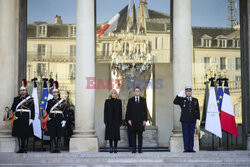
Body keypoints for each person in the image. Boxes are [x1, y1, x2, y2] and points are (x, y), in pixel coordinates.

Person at [173, 86, 200, 152]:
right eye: (187, 92)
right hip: (184, 120)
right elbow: (175, 102)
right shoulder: (182, 100)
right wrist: (179, 95)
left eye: (189, 91)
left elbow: (197, 110)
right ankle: (186, 148)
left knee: (191, 134)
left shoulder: (195, 100)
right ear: (185, 92)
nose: (188, 93)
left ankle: (191, 148)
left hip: (192, 120)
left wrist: (198, 118)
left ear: (191, 92)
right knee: (185, 134)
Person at [11, 79, 35, 153]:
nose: (22, 92)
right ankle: (20, 147)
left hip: (26, 117)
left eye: (24, 90)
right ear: (20, 91)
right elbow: (13, 108)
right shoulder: (16, 99)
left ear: (26, 91)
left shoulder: (30, 99)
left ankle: (25, 147)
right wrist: (10, 114)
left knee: (25, 133)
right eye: (21, 90)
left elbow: (33, 110)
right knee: (18, 133)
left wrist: (32, 119)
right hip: (18, 117)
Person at [126, 87, 148, 153]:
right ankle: (134, 149)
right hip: (132, 121)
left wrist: (145, 120)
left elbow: (145, 111)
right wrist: (128, 120)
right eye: (136, 91)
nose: (137, 92)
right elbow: (128, 111)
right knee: (133, 136)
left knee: (140, 136)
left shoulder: (143, 100)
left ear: (140, 92)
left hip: (141, 121)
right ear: (134, 92)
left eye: (138, 91)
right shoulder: (130, 100)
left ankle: (140, 149)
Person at [45, 88, 67, 153]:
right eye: (53, 92)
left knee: (59, 133)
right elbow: (47, 111)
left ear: (58, 93)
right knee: (52, 133)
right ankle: (53, 147)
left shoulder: (63, 101)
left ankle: (58, 147)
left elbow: (65, 112)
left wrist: (64, 120)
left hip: (59, 118)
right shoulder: (50, 101)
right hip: (52, 118)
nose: (54, 94)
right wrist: (47, 118)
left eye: (56, 92)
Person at [104, 89, 122, 153]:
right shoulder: (107, 101)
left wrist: (120, 121)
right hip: (109, 121)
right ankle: (111, 147)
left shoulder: (119, 101)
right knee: (110, 135)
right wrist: (105, 121)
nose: (113, 94)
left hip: (116, 120)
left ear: (116, 94)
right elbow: (105, 111)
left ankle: (115, 147)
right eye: (112, 93)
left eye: (115, 93)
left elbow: (120, 112)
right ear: (110, 94)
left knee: (116, 135)